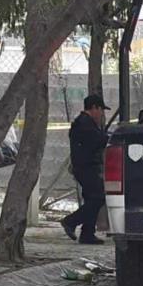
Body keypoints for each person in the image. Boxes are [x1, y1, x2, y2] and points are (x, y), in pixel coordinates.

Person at [61, 94, 110, 245]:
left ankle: (87, 234)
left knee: (91, 198)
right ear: (94, 108)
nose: (102, 114)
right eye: (101, 110)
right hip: (86, 167)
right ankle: (70, 221)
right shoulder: (84, 124)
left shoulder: (85, 123)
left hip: (87, 166)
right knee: (98, 197)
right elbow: (98, 140)